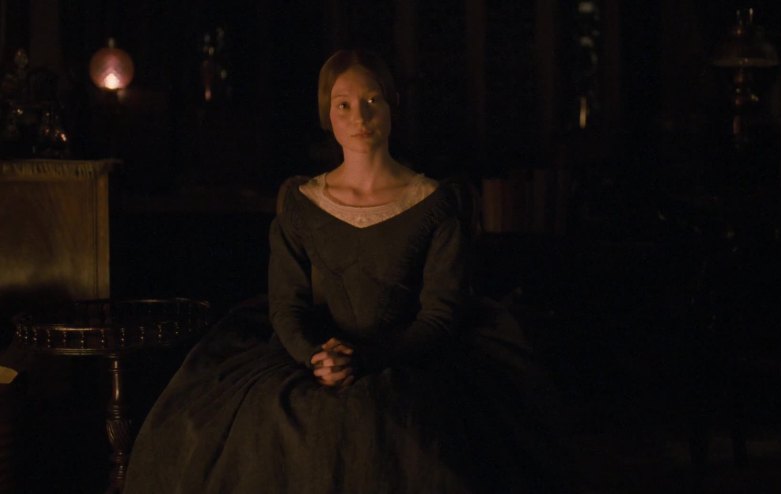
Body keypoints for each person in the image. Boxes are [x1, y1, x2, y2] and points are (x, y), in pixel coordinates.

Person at [124, 49, 572, 493]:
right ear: (327, 114)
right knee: (270, 430)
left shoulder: (435, 204)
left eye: (372, 100)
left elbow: (440, 315)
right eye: (344, 104)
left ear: (392, 105)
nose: (360, 116)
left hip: (409, 357)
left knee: (401, 430)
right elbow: (287, 305)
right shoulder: (301, 203)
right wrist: (316, 358)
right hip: (315, 357)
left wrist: (366, 359)